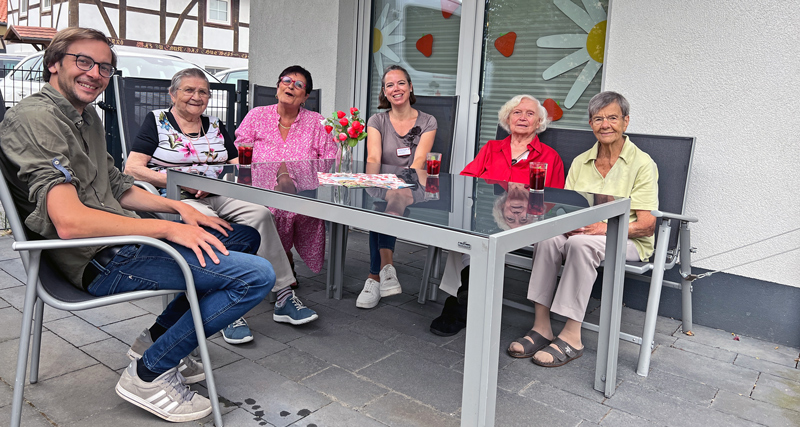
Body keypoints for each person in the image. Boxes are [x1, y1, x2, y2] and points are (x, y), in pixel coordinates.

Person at [0, 27, 273, 422]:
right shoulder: (38, 118)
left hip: (120, 240)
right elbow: (70, 223)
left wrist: (180, 211)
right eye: (84, 61)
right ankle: (148, 374)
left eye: (105, 67)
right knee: (255, 277)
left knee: (242, 235)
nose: (95, 73)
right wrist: (166, 228)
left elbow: (119, 185)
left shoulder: (85, 116)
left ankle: (157, 338)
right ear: (54, 63)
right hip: (97, 256)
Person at [124, 68, 318, 346]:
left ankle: (284, 295)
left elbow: (235, 161)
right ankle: (225, 305)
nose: (196, 96)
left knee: (260, 214)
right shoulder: (157, 121)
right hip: (177, 196)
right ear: (173, 93)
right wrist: (184, 181)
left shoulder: (214, 125)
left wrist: (218, 179)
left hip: (217, 190)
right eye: (188, 90)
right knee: (211, 223)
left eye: (203, 91)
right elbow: (133, 168)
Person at [507, 91, 658, 368]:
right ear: (590, 124)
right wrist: (566, 223)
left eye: (613, 118)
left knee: (580, 245)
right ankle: (542, 326)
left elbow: (647, 226)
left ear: (625, 122)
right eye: (598, 119)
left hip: (627, 240)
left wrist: (602, 228)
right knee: (548, 237)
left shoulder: (642, 164)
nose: (605, 125)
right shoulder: (580, 162)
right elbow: (567, 207)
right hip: (584, 232)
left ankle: (572, 335)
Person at [430, 94, 565, 336]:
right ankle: (465, 294)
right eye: (517, 112)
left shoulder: (549, 157)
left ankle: (460, 302)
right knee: (458, 232)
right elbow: (465, 183)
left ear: (539, 123)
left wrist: (526, 205)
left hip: (525, 225)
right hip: (485, 218)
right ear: (507, 118)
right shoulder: (492, 149)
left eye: (530, 113)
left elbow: (555, 201)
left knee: (474, 239)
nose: (522, 117)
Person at [235, 65, 337, 284]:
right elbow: (241, 151)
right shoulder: (256, 116)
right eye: (287, 80)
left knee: (283, 199)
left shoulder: (317, 122)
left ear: (306, 96)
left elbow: (329, 159)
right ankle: (283, 261)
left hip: (302, 194)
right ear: (278, 86)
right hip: (260, 192)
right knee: (273, 203)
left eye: (298, 85)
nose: (291, 86)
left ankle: (278, 262)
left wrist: (298, 175)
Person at [357, 65, 437, 309]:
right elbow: (373, 159)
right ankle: (386, 270)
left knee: (392, 198)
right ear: (384, 91)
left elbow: (419, 161)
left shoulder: (427, 121)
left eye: (401, 83)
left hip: (416, 185)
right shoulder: (376, 120)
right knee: (384, 200)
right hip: (382, 184)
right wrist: (376, 181)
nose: (396, 88)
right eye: (389, 85)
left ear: (410, 87)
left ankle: (375, 275)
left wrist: (397, 183)